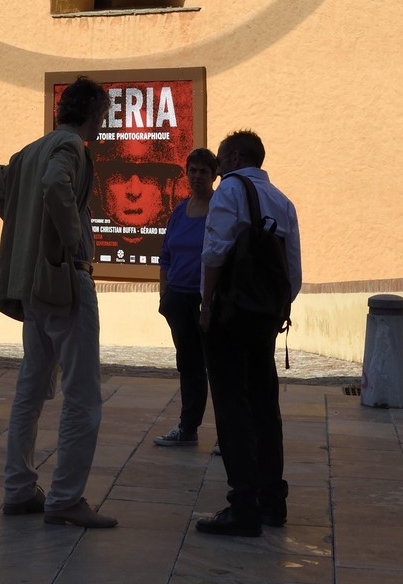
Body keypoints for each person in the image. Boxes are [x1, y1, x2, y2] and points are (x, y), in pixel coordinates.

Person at [0, 76, 118, 530]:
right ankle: (65, 498)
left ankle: (18, 488)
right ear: (92, 113)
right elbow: (54, 184)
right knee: (82, 394)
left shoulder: (28, 150)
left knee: (32, 388)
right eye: (102, 115)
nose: (103, 124)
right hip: (64, 282)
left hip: (32, 286)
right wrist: (70, 241)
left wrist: (29, 228)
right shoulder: (71, 148)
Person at [196, 129, 302, 538]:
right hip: (264, 318)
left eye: (221, 160)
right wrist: (274, 311)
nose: (218, 168)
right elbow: (292, 273)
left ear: (235, 157)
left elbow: (215, 250)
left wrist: (207, 306)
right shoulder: (283, 201)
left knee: (231, 406)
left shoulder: (229, 191)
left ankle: (242, 505)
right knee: (264, 405)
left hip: (229, 314)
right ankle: (273, 500)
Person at [153, 147, 219, 447]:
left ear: (214, 175)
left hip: (208, 302)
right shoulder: (179, 210)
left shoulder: (220, 210)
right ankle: (188, 428)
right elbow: (165, 255)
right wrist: (164, 293)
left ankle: (228, 437)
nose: (197, 176)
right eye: (192, 170)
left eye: (203, 171)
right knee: (189, 366)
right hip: (178, 300)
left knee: (218, 368)